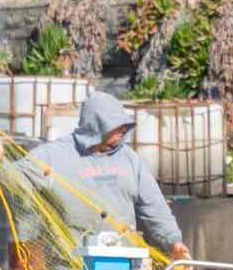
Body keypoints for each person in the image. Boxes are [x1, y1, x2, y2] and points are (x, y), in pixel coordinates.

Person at [20, 92, 191, 260]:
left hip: (123, 266)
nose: (123, 129)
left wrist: (173, 242)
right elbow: (15, 178)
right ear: (97, 124)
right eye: (116, 124)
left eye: (124, 124)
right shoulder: (54, 155)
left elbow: (154, 205)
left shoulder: (129, 159)